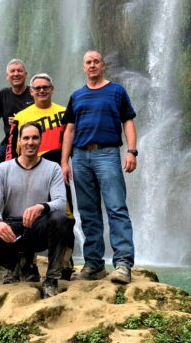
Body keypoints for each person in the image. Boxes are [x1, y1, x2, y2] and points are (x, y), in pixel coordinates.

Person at [60, 50, 138, 285]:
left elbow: (128, 122)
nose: (92, 65)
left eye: (96, 62)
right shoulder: (77, 96)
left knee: (116, 207)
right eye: (88, 62)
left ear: (102, 65)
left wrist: (132, 152)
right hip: (81, 157)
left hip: (107, 153)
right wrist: (65, 161)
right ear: (83, 67)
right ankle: (94, 264)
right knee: (88, 211)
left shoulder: (116, 91)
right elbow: (69, 130)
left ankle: (123, 264)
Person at [0, 122, 73, 298]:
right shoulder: (3, 169)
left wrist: (42, 206)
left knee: (60, 218)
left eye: (35, 137)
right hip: (12, 228)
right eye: (26, 138)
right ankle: (16, 264)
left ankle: (51, 279)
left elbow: (60, 201)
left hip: (38, 227)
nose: (30, 142)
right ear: (19, 141)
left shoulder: (53, 168)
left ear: (41, 140)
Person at [6, 73, 75, 282]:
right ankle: (28, 264)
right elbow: (12, 148)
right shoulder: (21, 116)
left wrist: (66, 164)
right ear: (31, 91)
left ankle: (65, 263)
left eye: (46, 87)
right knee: (26, 216)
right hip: (30, 172)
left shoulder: (65, 112)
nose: (42, 91)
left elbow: (71, 140)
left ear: (52, 89)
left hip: (58, 172)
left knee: (66, 216)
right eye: (37, 88)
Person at [0, 59, 34, 161]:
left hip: (32, 141)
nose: (16, 74)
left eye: (19, 71)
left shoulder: (34, 93)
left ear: (25, 75)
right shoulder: (3, 94)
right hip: (9, 143)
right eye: (12, 71)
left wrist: (21, 119)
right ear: (7, 76)